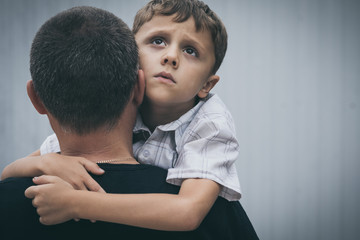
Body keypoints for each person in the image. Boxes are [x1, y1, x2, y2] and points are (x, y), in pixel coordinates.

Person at [0, 6, 258, 240]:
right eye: (158, 41)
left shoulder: (210, 125)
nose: (171, 57)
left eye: (190, 50)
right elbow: (8, 172)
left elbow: (188, 212)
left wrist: (76, 202)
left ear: (207, 85)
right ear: (132, 60)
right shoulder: (112, 104)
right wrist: (45, 161)